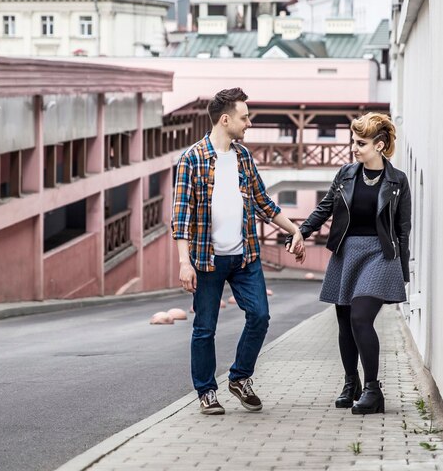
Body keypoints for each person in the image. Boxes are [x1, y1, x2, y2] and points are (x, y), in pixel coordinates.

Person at [171, 87, 304, 415]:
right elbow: (181, 218)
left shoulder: (243, 156)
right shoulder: (192, 159)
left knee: (260, 315)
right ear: (225, 119)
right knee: (205, 328)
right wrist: (183, 263)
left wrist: (295, 229)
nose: (249, 123)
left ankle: (240, 377)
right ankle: (206, 392)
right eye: (245, 118)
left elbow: (263, 202)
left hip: (245, 256)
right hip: (207, 260)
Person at [287, 112, 411, 414]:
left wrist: (402, 271)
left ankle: (373, 390)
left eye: (361, 143)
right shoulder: (345, 174)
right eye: (353, 141)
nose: (354, 148)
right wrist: (300, 233)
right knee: (344, 322)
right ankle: (351, 382)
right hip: (346, 252)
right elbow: (324, 209)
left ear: (380, 145)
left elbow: (403, 229)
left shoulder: (397, 181)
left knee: (360, 318)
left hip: (381, 255)